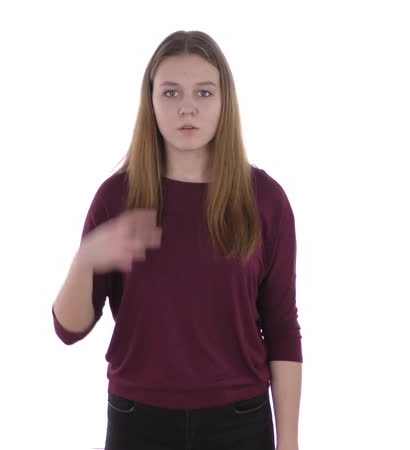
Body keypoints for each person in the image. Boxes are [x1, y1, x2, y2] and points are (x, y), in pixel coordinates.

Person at [52, 30, 302, 450]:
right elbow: (68, 329)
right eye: (170, 93)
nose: (188, 107)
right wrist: (85, 260)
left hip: (240, 421)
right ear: (150, 101)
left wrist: (289, 441)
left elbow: (282, 325)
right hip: (137, 421)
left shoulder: (265, 200)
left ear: (225, 101)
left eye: (204, 92)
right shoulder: (116, 199)